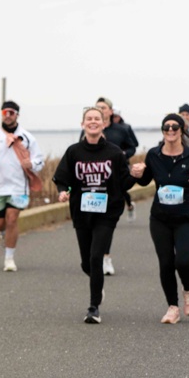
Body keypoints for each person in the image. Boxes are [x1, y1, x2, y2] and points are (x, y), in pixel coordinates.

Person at [53, 107, 134, 324]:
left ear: (103, 124)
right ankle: (97, 285)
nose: (93, 121)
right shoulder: (73, 152)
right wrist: (63, 191)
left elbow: (125, 182)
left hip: (107, 213)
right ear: (83, 124)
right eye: (89, 118)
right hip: (82, 212)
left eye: (97, 118)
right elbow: (62, 178)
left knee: (96, 257)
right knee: (86, 264)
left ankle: (93, 308)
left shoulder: (115, 152)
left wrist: (136, 174)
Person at [130, 113, 189, 324]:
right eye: (166, 127)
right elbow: (145, 181)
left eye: (175, 126)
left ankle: (188, 290)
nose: (170, 130)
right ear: (162, 130)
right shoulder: (154, 155)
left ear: (182, 130)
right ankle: (173, 307)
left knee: (183, 261)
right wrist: (137, 173)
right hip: (160, 218)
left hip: (187, 217)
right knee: (166, 263)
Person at [0, 100, 45, 272]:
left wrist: (31, 164)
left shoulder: (27, 137)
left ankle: (9, 259)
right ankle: (4, 234)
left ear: (17, 115)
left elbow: (39, 160)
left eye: (11, 113)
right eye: (5, 112)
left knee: (12, 219)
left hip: (19, 188)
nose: (8, 116)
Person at [92, 97, 138, 274]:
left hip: (116, 177)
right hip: (94, 178)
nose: (100, 110)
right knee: (93, 221)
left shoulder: (122, 129)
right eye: (97, 107)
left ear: (110, 111)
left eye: (103, 108)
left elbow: (133, 147)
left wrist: (123, 154)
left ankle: (106, 257)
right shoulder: (90, 129)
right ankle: (95, 255)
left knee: (106, 220)